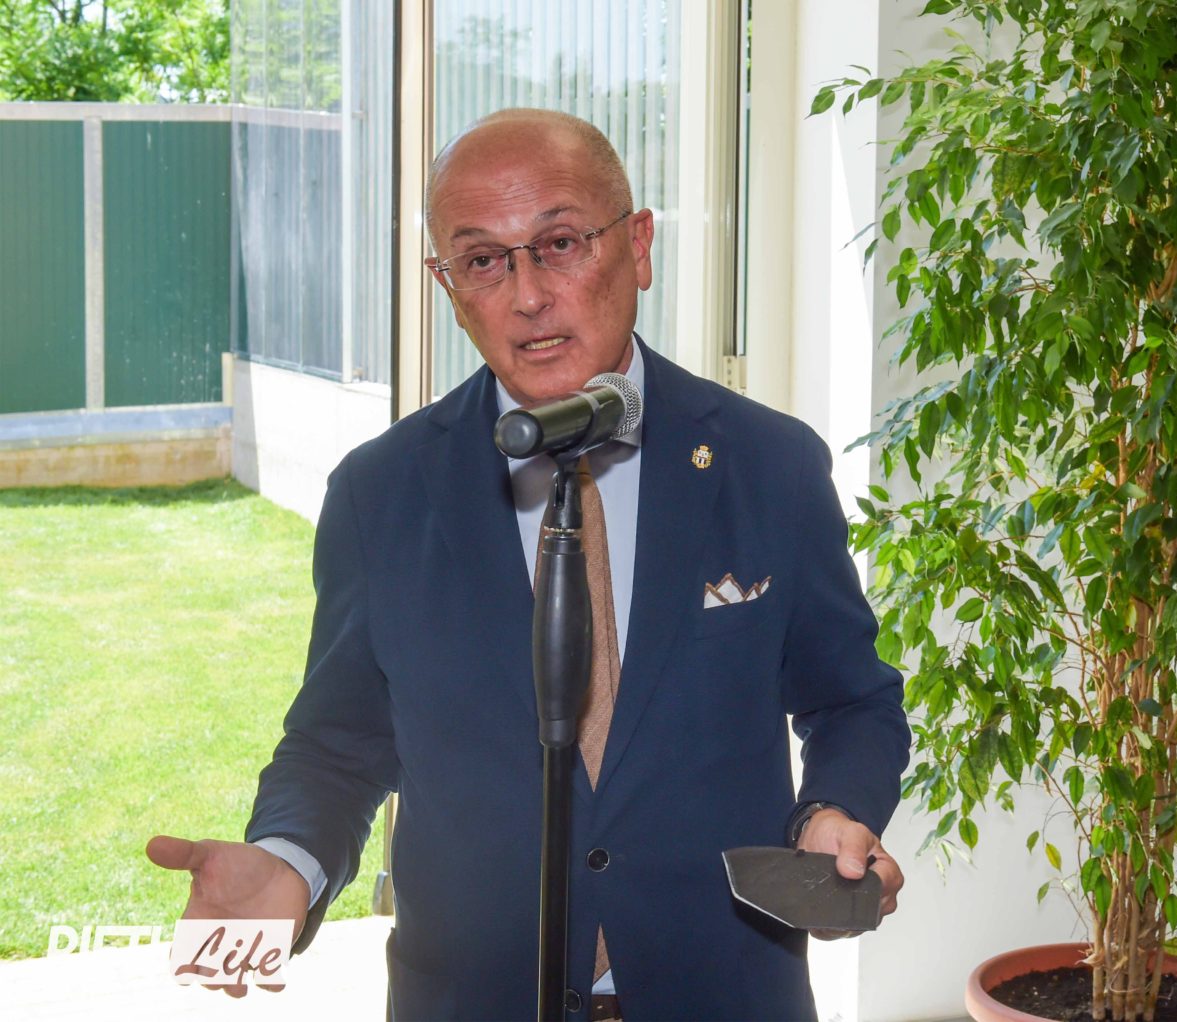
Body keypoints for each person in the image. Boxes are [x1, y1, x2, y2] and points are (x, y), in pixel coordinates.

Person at [145, 108, 910, 1021]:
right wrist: (288, 860)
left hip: (726, 993)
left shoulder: (769, 463)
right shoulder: (380, 493)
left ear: (638, 245)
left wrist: (831, 813)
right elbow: (340, 744)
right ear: (446, 285)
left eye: (559, 243)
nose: (528, 295)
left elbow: (851, 700)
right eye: (482, 260)